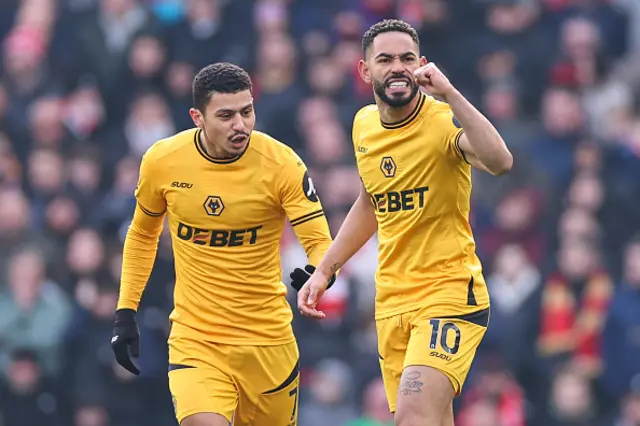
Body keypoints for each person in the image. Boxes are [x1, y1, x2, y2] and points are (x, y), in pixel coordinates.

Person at [297, 19, 513, 426]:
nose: (398, 66)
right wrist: (325, 269)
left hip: (448, 295)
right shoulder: (363, 125)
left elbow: (501, 162)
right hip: (392, 302)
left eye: (407, 58)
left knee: (411, 419)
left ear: (422, 65)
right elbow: (370, 202)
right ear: (364, 71)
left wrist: (450, 93)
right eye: (385, 59)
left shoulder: (444, 120)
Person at [110, 62, 335, 426]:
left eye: (247, 112)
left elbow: (319, 242)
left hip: (267, 342)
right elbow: (142, 234)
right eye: (226, 115)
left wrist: (321, 274)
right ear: (197, 116)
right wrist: (125, 312)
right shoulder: (163, 161)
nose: (241, 125)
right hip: (197, 340)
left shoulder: (282, 164)